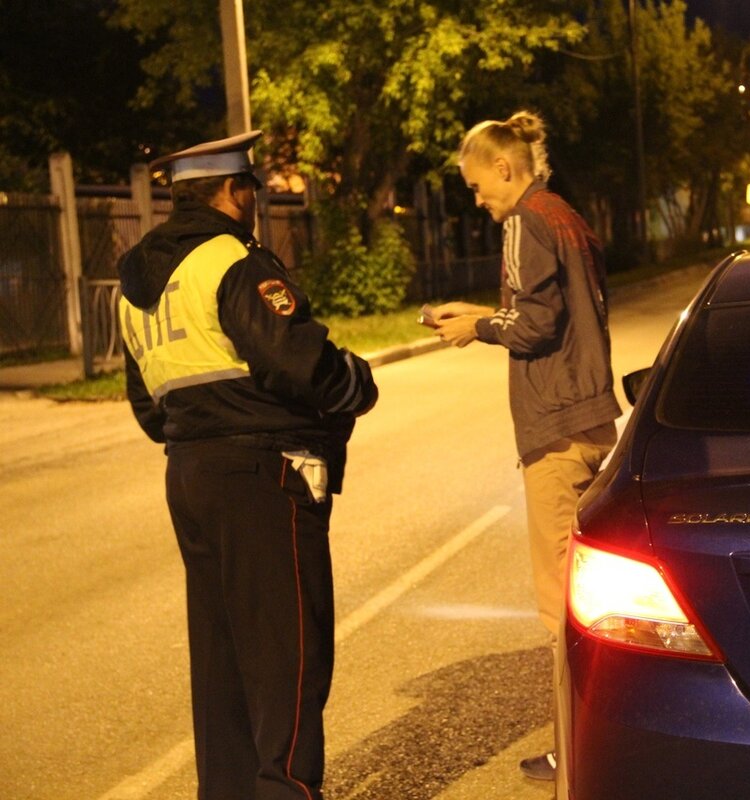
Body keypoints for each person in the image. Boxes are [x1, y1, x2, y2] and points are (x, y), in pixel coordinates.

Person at [117, 130, 378, 800]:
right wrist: (357, 382)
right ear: (235, 191)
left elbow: (150, 411)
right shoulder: (230, 260)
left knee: (223, 659)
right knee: (289, 656)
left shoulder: (140, 282)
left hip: (191, 475)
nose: (256, 201)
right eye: (253, 189)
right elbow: (298, 361)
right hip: (265, 478)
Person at [431, 110, 621, 782]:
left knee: (561, 607)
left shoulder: (524, 221)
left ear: (506, 170)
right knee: (594, 600)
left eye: (479, 188)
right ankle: (598, 740)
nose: (479, 203)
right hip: (594, 418)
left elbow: (535, 323)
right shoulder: (567, 214)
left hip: (558, 426)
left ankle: (580, 753)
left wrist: (476, 325)